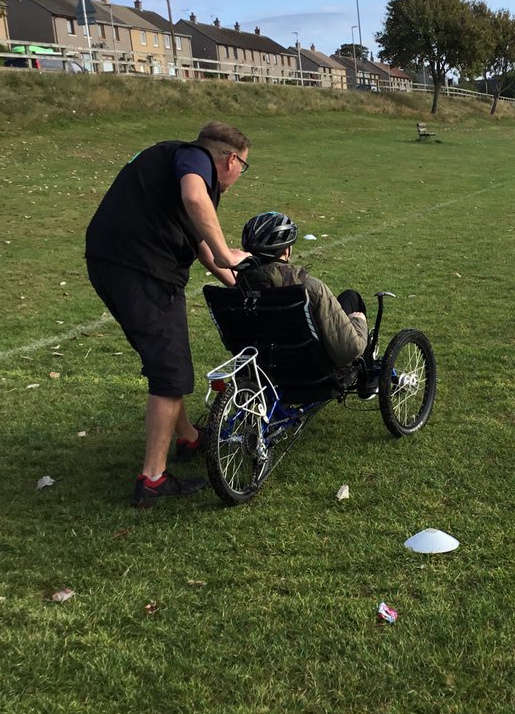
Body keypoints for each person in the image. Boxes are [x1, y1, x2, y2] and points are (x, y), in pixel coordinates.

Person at [85, 121, 253, 507]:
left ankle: (189, 438)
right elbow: (196, 200)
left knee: (166, 361)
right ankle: (153, 479)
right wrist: (230, 252)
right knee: (170, 372)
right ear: (231, 159)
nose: (240, 175)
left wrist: (236, 282)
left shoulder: (170, 166)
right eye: (244, 167)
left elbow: (201, 248)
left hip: (110, 263)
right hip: (142, 269)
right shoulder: (193, 159)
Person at [237, 211, 375, 389]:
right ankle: (369, 381)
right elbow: (347, 351)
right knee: (351, 298)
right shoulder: (311, 288)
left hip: (262, 366)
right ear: (286, 250)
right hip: (314, 371)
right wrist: (359, 323)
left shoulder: (241, 288)